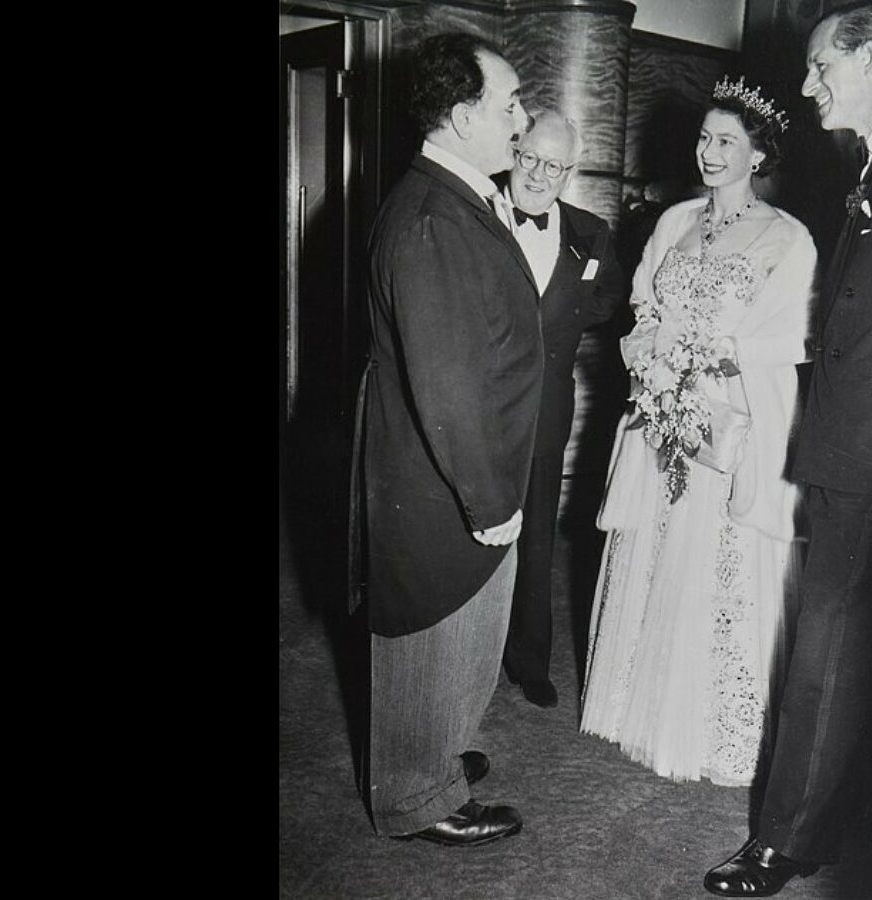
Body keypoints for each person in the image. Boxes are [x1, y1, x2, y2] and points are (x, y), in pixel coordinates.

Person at [704, 6, 872, 896]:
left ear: (866, 60)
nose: (807, 87)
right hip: (860, 459)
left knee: (829, 656)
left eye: (819, 68)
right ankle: (850, 827)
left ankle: (785, 841)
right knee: (849, 657)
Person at [579, 76, 817, 788]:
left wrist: (710, 364)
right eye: (704, 138)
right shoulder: (676, 220)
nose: (708, 152)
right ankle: (639, 707)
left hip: (732, 420)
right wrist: (657, 360)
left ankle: (721, 727)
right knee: (656, 551)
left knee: (721, 566)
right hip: (664, 416)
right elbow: (644, 302)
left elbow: (790, 335)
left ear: (758, 155)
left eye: (725, 141)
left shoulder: (787, 238)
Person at [348, 31, 537, 847]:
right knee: (434, 621)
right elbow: (450, 382)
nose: (522, 120)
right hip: (441, 477)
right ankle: (419, 796)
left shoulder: (452, 196)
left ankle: (432, 757)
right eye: (509, 104)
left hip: (449, 469)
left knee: (463, 625)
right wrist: (489, 497)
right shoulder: (433, 217)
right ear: (462, 117)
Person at [497, 110, 628, 708]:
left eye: (554, 165)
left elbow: (606, 297)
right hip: (482, 404)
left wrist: (561, 327)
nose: (539, 174)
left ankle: (530, 660)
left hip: (549, 402)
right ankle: (469, 654)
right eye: (530, 158)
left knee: (539, 536)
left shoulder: (591, 232)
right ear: (514, 149)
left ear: (569, 171)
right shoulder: (481, 214)